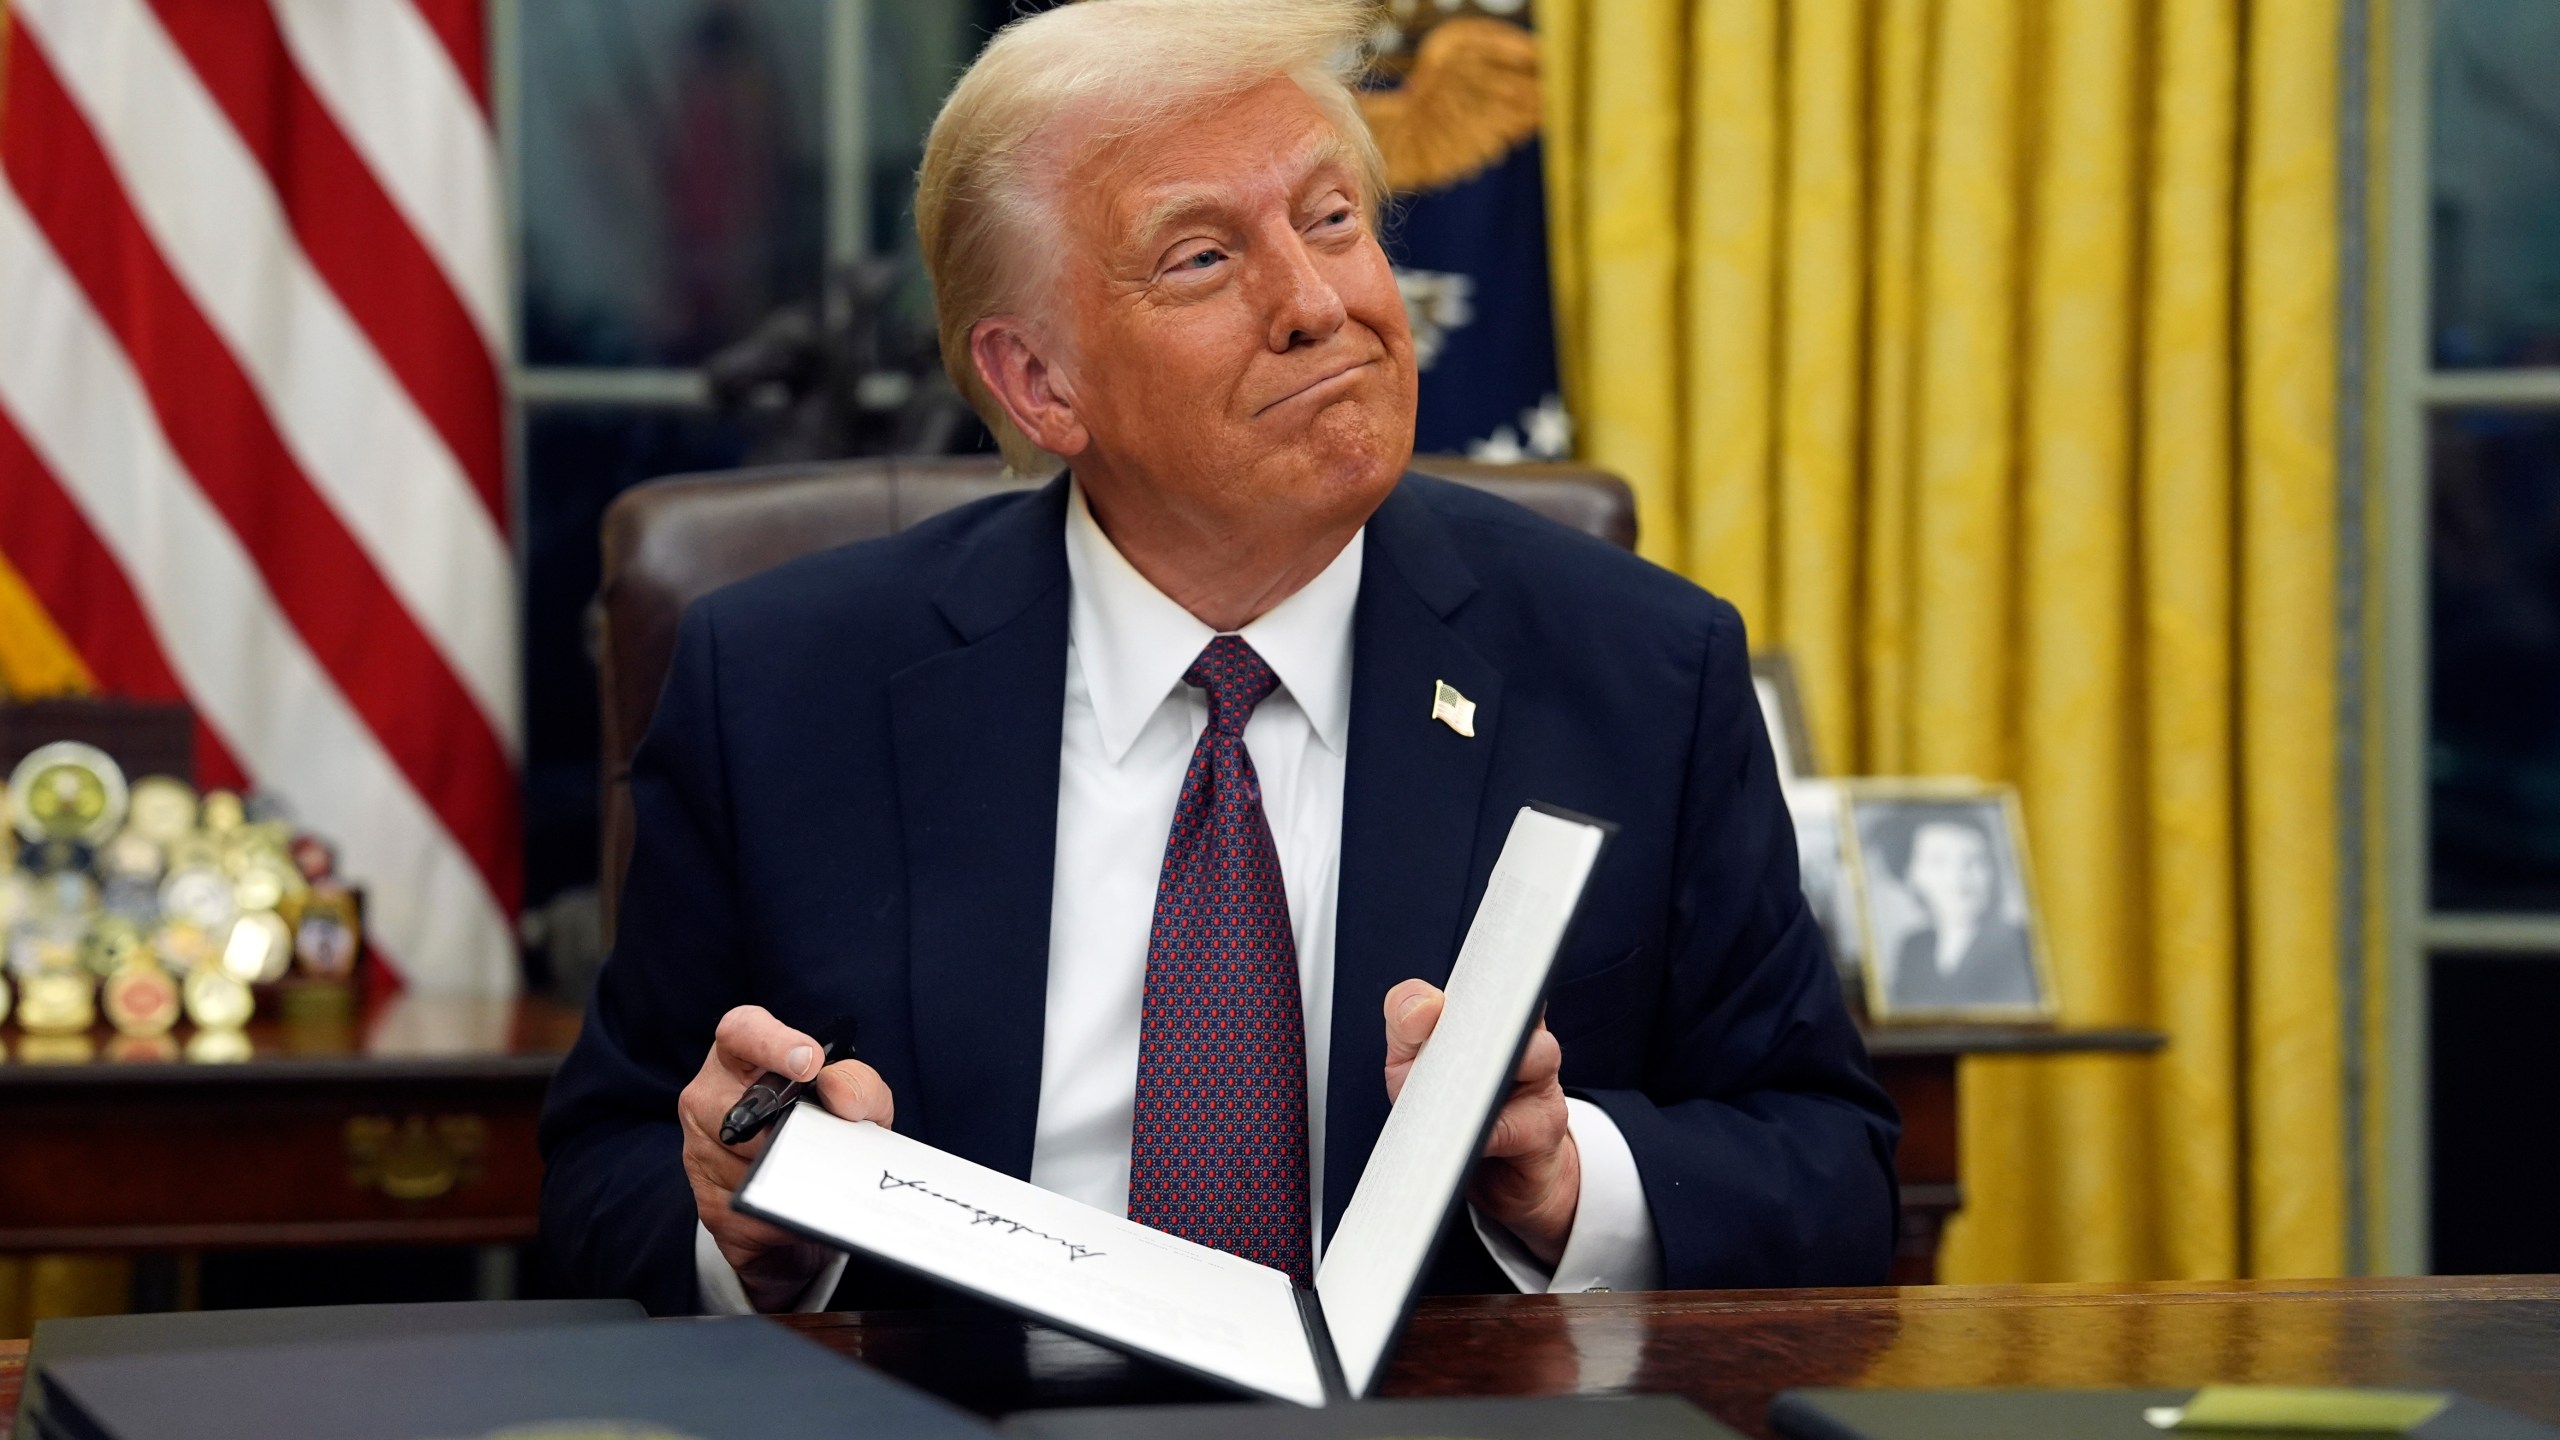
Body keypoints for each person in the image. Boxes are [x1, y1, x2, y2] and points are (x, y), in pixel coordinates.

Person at [538, 0, 1898, 1317]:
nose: (1320, 303)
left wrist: (1564, 1179)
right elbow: (601, 1187)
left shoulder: (1641, 673)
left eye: (1332, 219)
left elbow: (1835, 1175)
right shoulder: (783, 691)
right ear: (1038, 384)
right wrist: (757, 1240)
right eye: (1202, 256)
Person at [1882, 812, 2038, 1011]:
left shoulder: (2020, 942)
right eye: (1939, 862)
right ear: (1911, 875)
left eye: (1974, 860)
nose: (1959, 876)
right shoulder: (1914, 947)